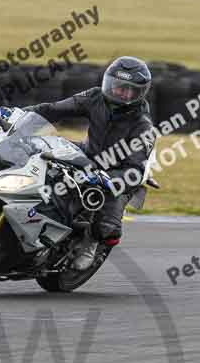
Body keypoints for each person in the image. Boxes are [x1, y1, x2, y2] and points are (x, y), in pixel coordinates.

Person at [23, 56, 155, 271]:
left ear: (139, 93)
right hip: (87, 155)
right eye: (116, 86)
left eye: (127, 90)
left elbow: (135, 170)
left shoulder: (143, 126)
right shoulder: (95, 97)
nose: (119, 92)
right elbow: (53, 109)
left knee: (107, 226)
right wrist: (20, 116)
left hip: (115, 172)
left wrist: (110, 179)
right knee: (40, 150)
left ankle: (90, 243)